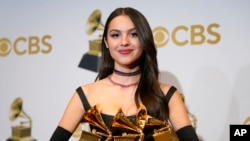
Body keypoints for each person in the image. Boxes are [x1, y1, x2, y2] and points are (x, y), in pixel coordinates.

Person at [50, 7, 199, 141]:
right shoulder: (85, 94)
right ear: (106, 42)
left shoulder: (167, 94)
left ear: (144, 40)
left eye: (133, 34)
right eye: (116, 35)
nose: (124, 42)